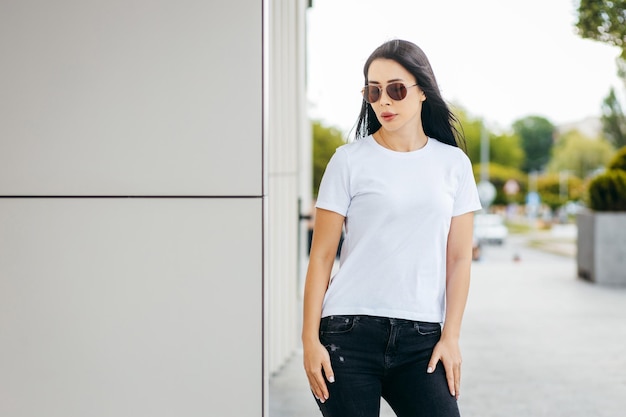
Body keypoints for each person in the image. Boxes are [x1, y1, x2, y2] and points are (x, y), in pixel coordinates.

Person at [302, 39, 482, 417]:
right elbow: (320, 256)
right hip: (347, 334)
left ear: (422, 92)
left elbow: (460, 259)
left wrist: (451, 336)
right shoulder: (348, 161)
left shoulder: (454, 165)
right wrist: (309, 340)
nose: (384, 101)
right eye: (373, 91)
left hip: (422, 340)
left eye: (396, 90)